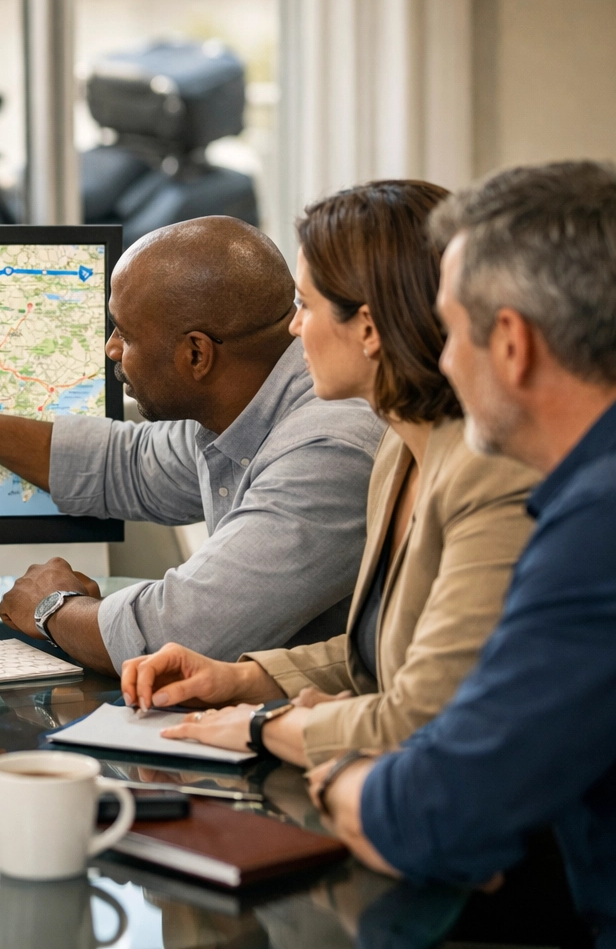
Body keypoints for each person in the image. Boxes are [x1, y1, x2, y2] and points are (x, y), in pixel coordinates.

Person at [115, 180, 538, 767]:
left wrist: (267, 728)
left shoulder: (484, 476)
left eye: (305, 307)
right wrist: (244, 680)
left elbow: (422, 712)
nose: (292, 329)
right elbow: (389, 653)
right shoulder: (399, 450)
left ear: (367, 329)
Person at [0, 216, 386, 674]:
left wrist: (52, 606)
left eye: (124, 334)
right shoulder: (242, 407)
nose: (111, 350)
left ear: (196, 355)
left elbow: (182, 633)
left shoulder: (326, 450)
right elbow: (122, 465)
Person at [313, 161, 616, 945]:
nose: (440, 359)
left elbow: (437, 816)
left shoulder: (596, 530)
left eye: (452, 330)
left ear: (511, 343)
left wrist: (344, 780)